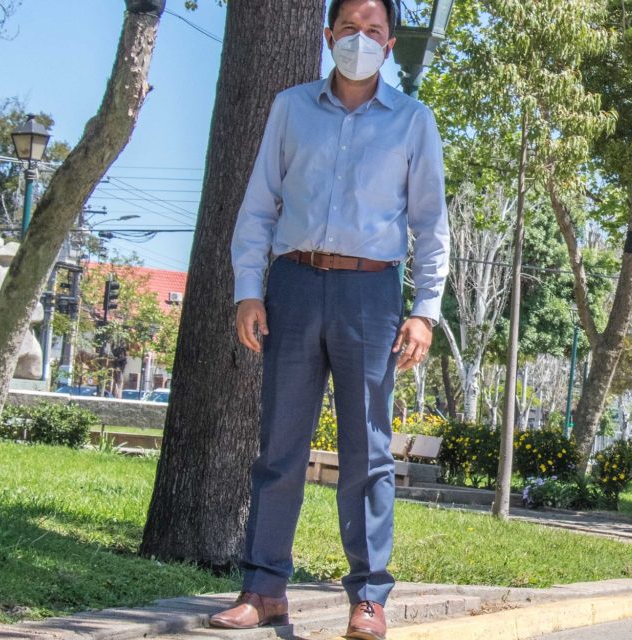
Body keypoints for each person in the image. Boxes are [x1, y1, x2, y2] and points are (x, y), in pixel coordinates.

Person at [209, 1, 449, 638]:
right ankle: (263, 591)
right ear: (328, 36)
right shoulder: (291, 108)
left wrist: (424, 312)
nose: (360, 41)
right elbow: (259, 205)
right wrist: (248, 291)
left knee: (367, 453)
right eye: (349, 30)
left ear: (390, 43)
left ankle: (368, 598)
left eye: (373, 32)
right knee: (279, 448)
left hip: (371, 296)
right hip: (292, 283)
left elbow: (430, 226)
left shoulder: (413, 122)